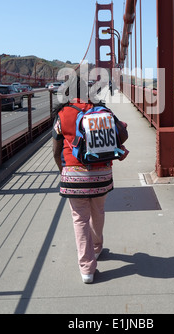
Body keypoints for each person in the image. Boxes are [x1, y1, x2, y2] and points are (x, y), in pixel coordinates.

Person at [52, 75, 114, 284]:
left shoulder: (62, 114)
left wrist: (64, 171)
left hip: (74, 175)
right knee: (98, 212)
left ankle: (87, 269)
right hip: (102, 175)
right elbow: (119, 136)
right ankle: (96, 248)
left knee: (80, 219)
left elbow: (55, 151)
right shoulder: (103, 110)